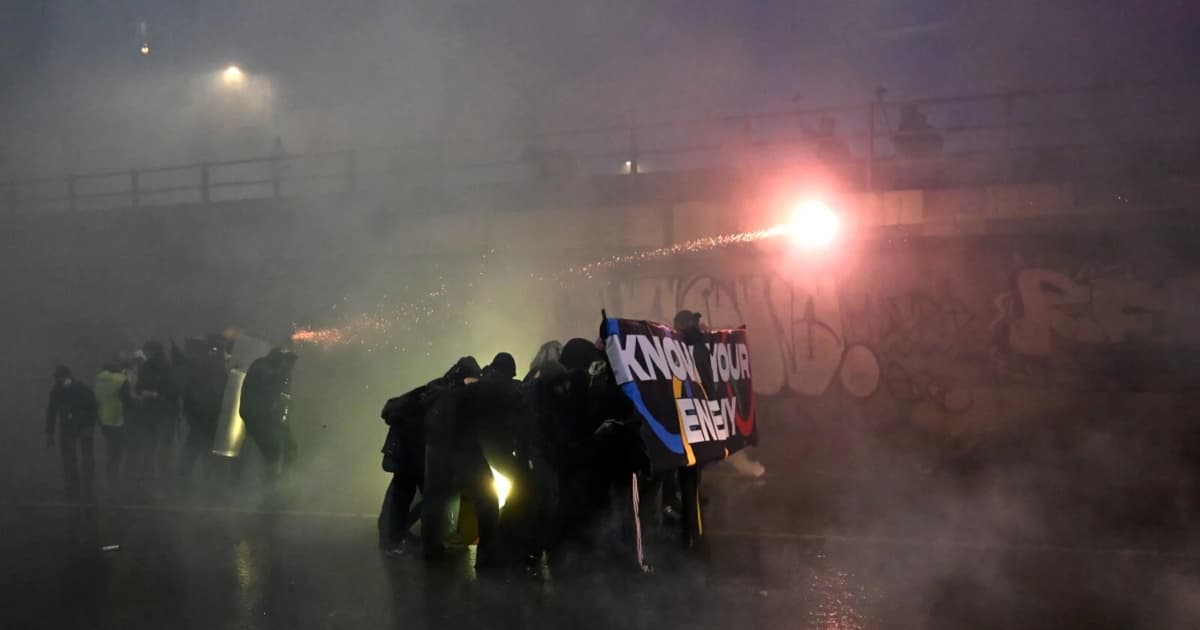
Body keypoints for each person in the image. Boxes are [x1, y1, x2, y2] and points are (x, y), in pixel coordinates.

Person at [420, 356, 482, 562]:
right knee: (443, 498)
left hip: (433, 450)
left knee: (434, 500)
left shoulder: (436, 388)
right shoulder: (457, 395)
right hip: (449, 452)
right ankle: (438, 544)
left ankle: (430, 545)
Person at [672, 310, 714, 553]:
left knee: (688, 478)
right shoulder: (699, 345)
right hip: (694, 420)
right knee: (690, 478)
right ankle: (690, 529)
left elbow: (703, 383)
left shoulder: (687, 348)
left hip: (687, 420)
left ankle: (692, 534)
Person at [378, 382, 431, 555]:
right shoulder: (427, 402)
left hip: (405, 458)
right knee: (414, 498)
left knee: (401, 498)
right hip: (412, 458)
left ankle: (394, 537)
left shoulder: (409, 403)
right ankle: (394, 540)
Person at [239, 344, 299, 484]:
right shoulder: (262, 366)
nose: (291, 366)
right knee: (272, 452)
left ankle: (284, 484)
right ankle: (269, 489)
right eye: (289, 361)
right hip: (259, 417)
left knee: (291, 448)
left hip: (273, 419)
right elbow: (268, 385)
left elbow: (283, 396)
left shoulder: (283, 373)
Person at [45, 366, 99, 500]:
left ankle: (84, 484)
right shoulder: (61, 390)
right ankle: (76, 484)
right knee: (71, 457)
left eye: (61, 378)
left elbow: (93, 407)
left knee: (83, 457)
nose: (60, 380)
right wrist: (49, 432)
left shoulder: (75, 389)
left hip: (80, 426)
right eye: (58, 378)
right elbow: (51, 412)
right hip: (70, 427)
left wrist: (90, 426)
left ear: (67, 376)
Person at [93, 357, 132, 490]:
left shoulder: (99, 381)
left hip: (104, 420)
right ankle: (118, 480)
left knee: (111, 451)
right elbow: (128, 401)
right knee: (119, 451)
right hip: (118, 420)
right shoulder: (120, 380)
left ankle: (111, 478)